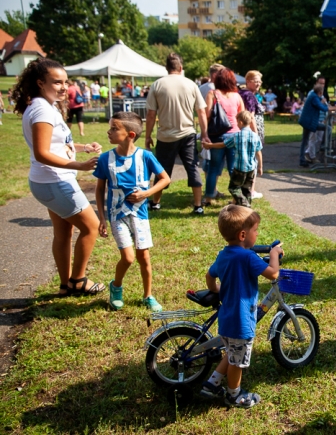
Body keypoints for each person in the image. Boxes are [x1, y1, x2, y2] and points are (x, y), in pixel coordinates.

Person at [12, 58, 105, 296]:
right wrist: (80, 165)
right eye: (57, 82)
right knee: (91, 227)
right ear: (40, 83)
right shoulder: (43, 109)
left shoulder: (45, 105)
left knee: (64, 232)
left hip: (48, 181)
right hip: (55, 181)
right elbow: (42, 153)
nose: (64, 87)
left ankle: (65, 284)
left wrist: (83, 146)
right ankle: (78, 281)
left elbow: (57, 143)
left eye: (66, 82)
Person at [199, 204, 284, 407]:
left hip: (227, 317)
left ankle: (212, 384)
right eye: (256, 230)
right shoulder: (247, 257)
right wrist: (274, 255)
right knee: (237, 362)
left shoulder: (224, 254)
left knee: (231, 352)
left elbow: (209, 276)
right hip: (241, 321)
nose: (257, 233)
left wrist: (216, 289)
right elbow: (273, 273)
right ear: (244, 235)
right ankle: (234, 395)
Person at [94, 112, 171, 311]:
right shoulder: (105, 159)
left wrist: (146, 194)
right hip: (116, 215)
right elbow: (100, 188)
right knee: (128, 257)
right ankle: (116, 286)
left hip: (140, 214)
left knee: (143, 257)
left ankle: (148, 295)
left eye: (114, 128)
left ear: (130, 134)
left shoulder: (145, 156)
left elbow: (165, 179)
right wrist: (101, 218)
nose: (109, 132)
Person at [145, 53, 208, 215]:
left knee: (162, 170)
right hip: (188, 134)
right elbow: (201, 112)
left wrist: (147, 136)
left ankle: (156, 202)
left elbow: (151, 114)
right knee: (192, 167)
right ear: (181, 68)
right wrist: (205, 133)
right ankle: (198, 205)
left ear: (166, 68)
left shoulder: (157, 85)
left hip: (165, 136)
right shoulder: (191, 84)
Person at [203, 67, 246, 206]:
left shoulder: (212, 94)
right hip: (235, 135)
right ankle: (235, 199)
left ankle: (208, 198)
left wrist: (205, 132)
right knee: (233, 168)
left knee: (213, 168)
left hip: (217, 135)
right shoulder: (237, 96)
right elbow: (243, 116)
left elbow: (207, 114)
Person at [203, 111, 263, 208]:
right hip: (251, 168)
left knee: (233, 188)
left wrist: (210, 145)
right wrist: (260, 166)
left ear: (240, 122)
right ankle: (246, 209)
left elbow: (223, 144)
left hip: (239, 168)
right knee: (247, 189)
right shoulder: (255, 136)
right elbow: (259, 152)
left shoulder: (236, 136)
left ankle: (244, 203)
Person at [239, 70, 264, 200]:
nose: (258, 83)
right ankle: (251, 190)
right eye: (255, 80)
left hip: (243, 130)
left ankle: (246, 189)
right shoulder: (248, 95)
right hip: (250, 131)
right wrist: (255, 134)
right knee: (252, 161)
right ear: (248, 81)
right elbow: (250, 117)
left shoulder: (242, 93)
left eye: (260, 80)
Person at [298, 83, 329, 167]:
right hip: (309, 122)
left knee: (305, 141)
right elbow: (322, 108)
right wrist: (332, 108)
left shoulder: (313, 96)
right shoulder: (314, 97)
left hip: (306, 121)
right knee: (327, 128)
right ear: (320, 92)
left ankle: (302, 159)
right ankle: (324, 147)